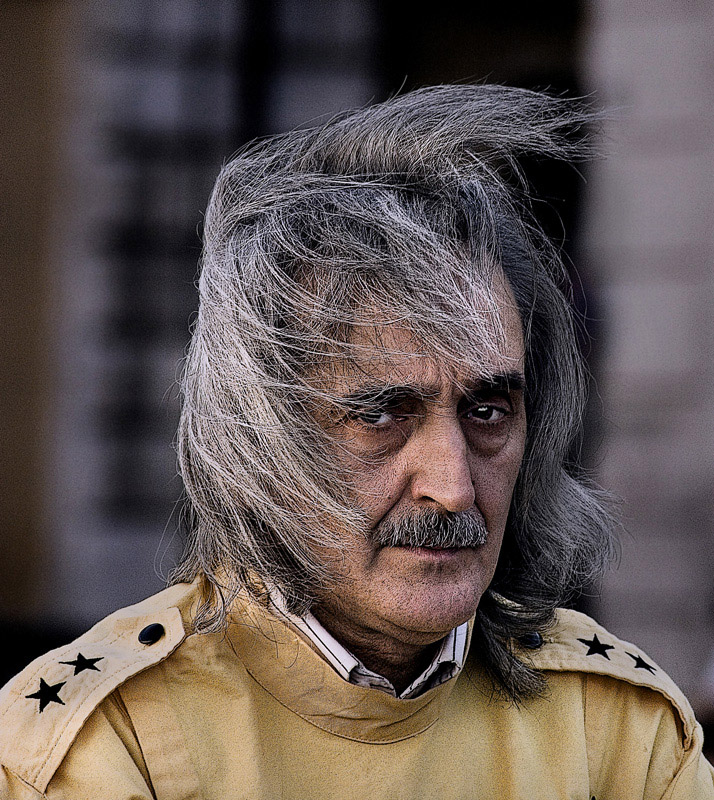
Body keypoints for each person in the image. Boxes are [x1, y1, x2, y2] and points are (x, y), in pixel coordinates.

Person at [1, 85, 712, 799]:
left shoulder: (617, 731)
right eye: (381, 417)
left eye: (488, 411)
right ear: (259, 443)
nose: (453, 487)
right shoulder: (112, 742)